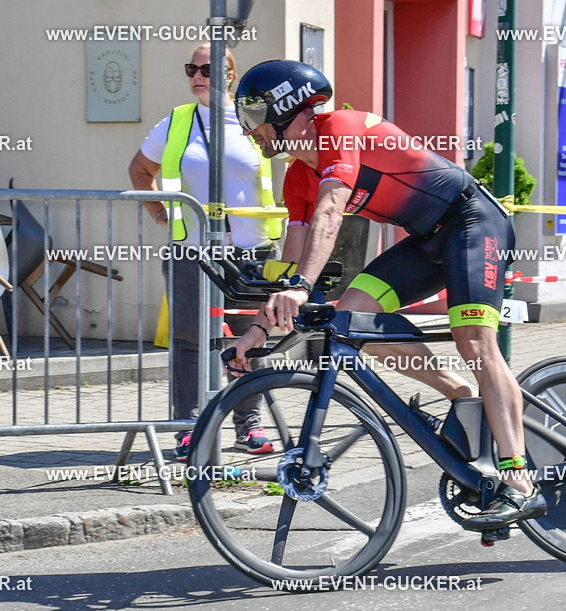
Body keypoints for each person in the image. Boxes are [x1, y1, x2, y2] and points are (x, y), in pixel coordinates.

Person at [229, 60, 547, 530]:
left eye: (254, 116)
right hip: (425, 240)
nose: (249, 130)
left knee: (473, 339)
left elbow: (332, 212)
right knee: (353, 321)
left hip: (472, 222)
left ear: (287, 108)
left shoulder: (337, 128)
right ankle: (462, 395)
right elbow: (292, 259)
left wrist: (300, 289)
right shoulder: (297, 175)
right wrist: (258, 327)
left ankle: (519, 480)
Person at [128, 44, 282, 460]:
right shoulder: (177, 122)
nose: (198, 74)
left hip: (252, 252)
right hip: (192, 251)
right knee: (189, 339)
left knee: (253, 338)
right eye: (191, 68)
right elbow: (140, 170)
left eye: (209, 68)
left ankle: (248, 426)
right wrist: (159, 213)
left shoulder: (254, 119)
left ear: (231, 75)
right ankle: (188, 426)